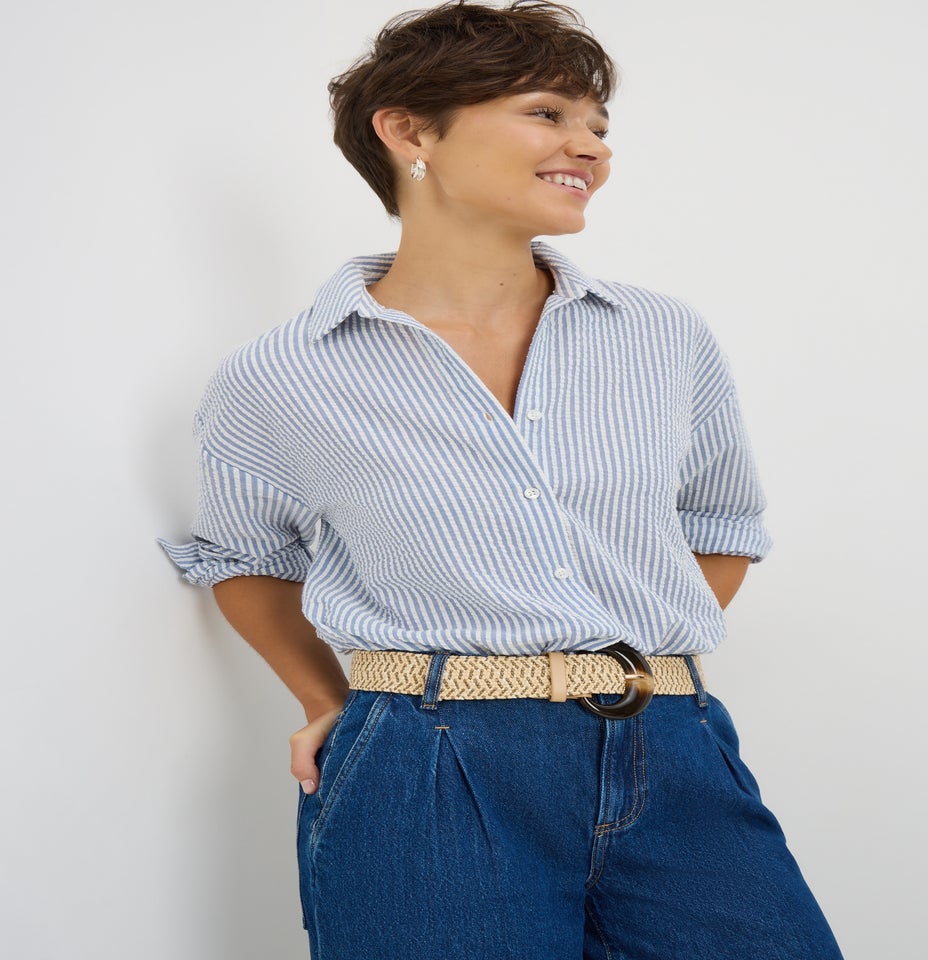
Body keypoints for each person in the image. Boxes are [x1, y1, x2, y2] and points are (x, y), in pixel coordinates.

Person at [161, 2, 844, 957]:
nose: (590, 148)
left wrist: (633, 648)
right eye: (548, 113)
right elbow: (244, 557)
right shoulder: (281, 374)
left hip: (674, 748)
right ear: (406, 130)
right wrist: (326, 701)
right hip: (426, 764)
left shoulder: (661, 337)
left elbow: (723, 523)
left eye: (598, 125)